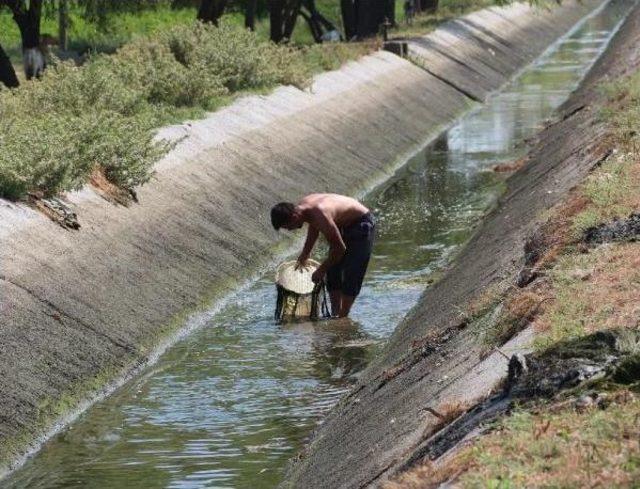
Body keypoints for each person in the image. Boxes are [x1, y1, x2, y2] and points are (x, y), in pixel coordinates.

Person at [271, 194, 375, 318]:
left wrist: (321, 270)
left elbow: (339, 249)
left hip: (361, 223)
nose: (289, 230)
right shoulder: (304, 209)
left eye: (288, 227)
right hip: (343, 224)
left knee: (353, 271)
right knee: (333, 270)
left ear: (294, 216)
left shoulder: (320, 213)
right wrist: (305, 253)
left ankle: (343, 316)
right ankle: (335, 313)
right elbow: (314, 227)